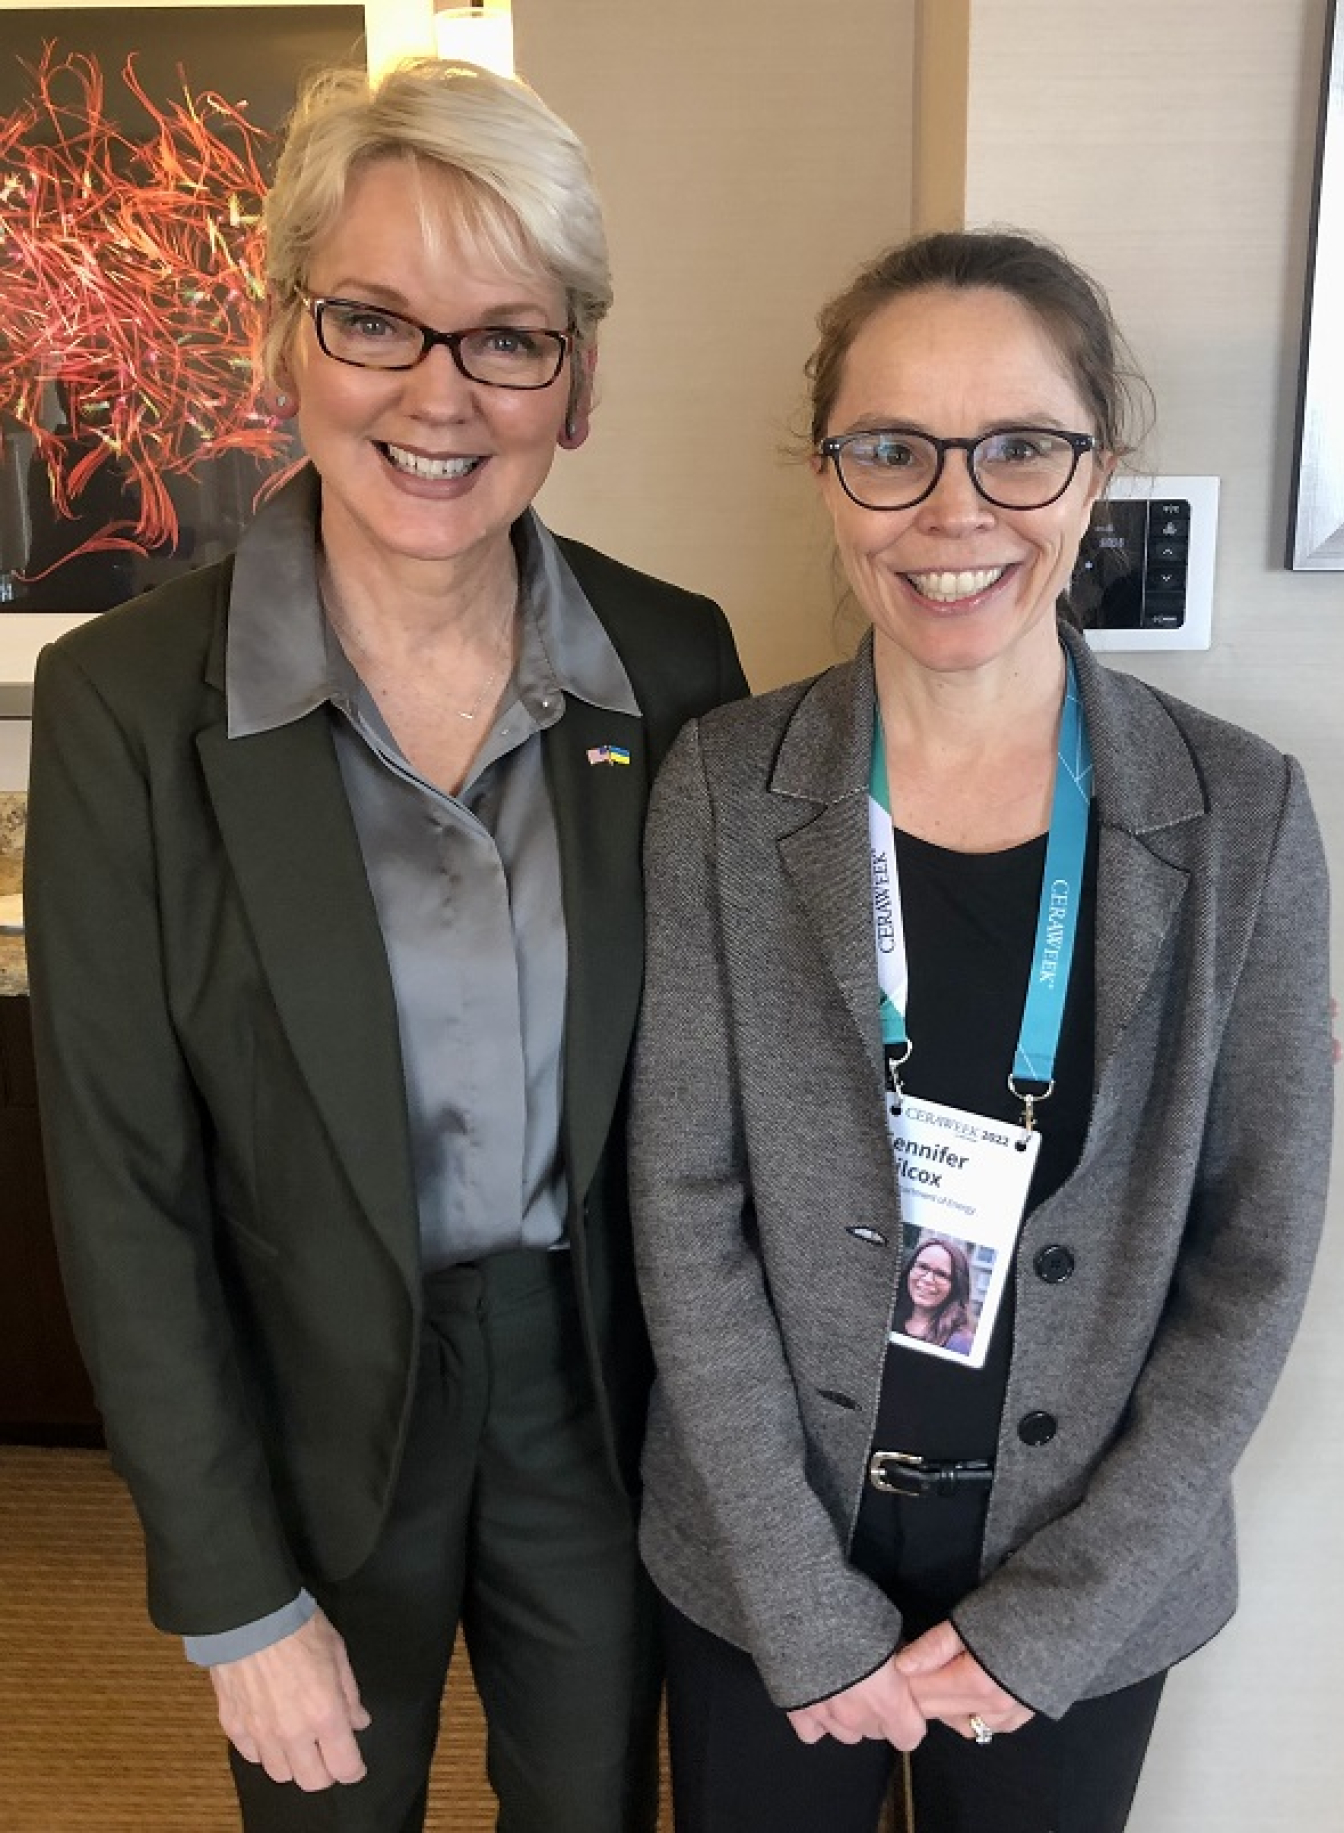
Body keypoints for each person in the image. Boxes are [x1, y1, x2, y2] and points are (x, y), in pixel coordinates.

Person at [24, 57, 745, 1833]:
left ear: (578, 380)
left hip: (591, 1396)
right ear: (286, 339)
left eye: (511, 335)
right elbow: (124, 1189)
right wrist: (228, 1589)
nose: (442, 394)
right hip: (310, 1421)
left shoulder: (673, 664)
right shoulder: (126, 702)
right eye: (374, 321)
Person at [629, 229, 1332, 1833]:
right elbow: (682, 1208)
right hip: (761, 1559)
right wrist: (802, 1608)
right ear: (828, 476)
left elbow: (1252, 1265)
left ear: (1095, 471)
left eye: (1017, 446)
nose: (954, 510)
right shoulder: (724, 791)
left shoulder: (1241, 816)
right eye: (891, 449)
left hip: (1080, 1578)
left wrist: (1057, 1618)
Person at [897, 1236, 975, 1355]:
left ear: (956, 1286)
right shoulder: (888, 1317)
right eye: (922, 1267)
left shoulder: (959, 1345)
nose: (928, 1279)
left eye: (941, 1274)